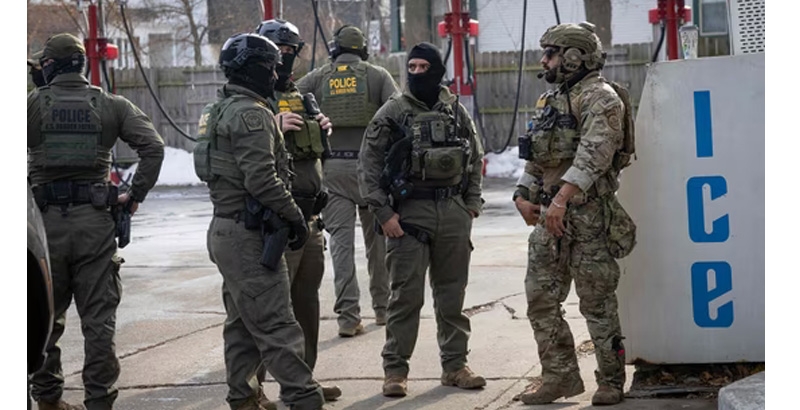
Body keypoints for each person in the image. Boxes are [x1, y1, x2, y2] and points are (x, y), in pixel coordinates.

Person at [27, 33, 165, 410]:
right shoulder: (110, 105)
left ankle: (48, 398)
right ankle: (99, 400)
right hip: (95, 224)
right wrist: (134, 195)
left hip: (43, 228)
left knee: (42, 318)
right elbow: (153, 146)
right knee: (99, 321)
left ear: (50, 66)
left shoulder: (31, 105)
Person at [193, 32, 324, 410]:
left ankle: (243, 396)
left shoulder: (217, 109)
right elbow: (262, 179)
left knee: (241, 324)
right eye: (270, 67)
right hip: (249, 234)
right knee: (278, 325)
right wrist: (294, 216)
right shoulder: (253, 113)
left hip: (226, 228)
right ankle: (303, 397)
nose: (276, 75)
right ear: (252, 70)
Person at [512, 22, 637, 406]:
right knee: (540, 299)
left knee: (597, 303)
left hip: (589, 215)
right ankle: (559, 377)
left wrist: (563, 198)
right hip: (551, 216)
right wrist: (522, 194)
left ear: (572, 57)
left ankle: (611, 381)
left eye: (549, 53)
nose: (543, 60)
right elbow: (538, 156)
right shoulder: (551, 100)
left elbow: (595, 154)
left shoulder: (601, 98)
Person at [357, 42, 486, 398]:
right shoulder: (393, 111)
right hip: (409, 215)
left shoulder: (455, 109)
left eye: (422, 67)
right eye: (411, 67)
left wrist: (471, 204)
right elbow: (367, 166)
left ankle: (455, 366)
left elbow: (475, 157)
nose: (416, 73)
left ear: (437, 70)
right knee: (405, 298)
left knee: (452, 296)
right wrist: (384, 213)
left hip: (453, 211)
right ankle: (395, 371)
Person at [254, 18, 342, 406]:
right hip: (275, 221)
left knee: (307, 305)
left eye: (291, 51)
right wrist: (272, 125)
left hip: (310, 220)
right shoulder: (252, 100)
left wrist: (320, 128)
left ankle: (304, 381)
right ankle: (252, 389)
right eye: (279, 51)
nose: (285, 58)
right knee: (268, 310)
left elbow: (315, 156)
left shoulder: (300, 95)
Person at [296, 25, 398, 337]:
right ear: (363, 49)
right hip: (370, 170)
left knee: (341, 245)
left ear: (335, 49)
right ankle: (383, 309)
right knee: (377, 243)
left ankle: (348, 317)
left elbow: (286, 97)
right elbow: (399, 112)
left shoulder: (317, 78)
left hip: (333, 170)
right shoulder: (378, 75)